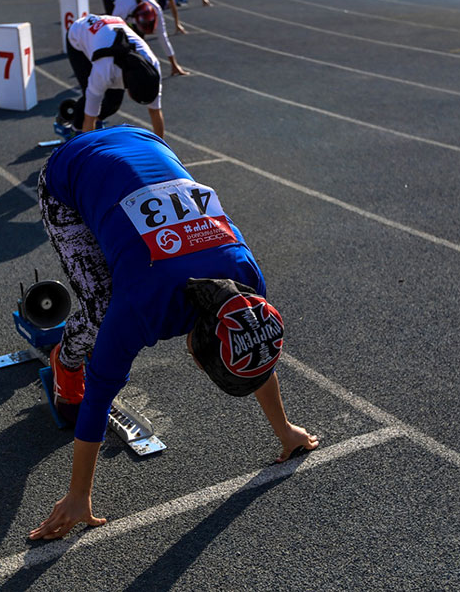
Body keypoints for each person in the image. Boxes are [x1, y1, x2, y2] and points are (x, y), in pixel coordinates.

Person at [28, 126, 320, 541]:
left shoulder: (245, 283)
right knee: (98, 310)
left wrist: (285, 429)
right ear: (195, 356)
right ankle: (66, 359)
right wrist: (78, 495)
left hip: (145, 144)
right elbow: (97, 398)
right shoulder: (137, 311)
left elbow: (251, 344)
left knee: (124, 267)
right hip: (71, 170)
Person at [64, 14, 164, 137]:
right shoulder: (104, 71)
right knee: (89, 100)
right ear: (129, 92)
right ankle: (75, 128)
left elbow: (155, 112)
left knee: (113, 103)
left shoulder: (152, 66)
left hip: (108, 31)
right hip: (78, 37)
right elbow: (89, 118)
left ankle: (96, 121)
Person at [99, 0, 188, 76]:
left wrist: (174, 64)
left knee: (138, 38)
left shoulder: (156, 9)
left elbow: (163, 38)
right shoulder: (121, 10)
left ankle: (136, 59)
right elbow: (110, 29)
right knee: (116, 35)